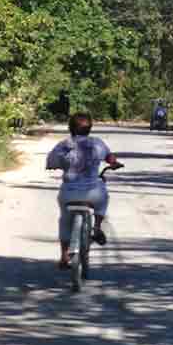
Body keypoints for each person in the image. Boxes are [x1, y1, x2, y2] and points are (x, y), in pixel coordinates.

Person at [46, 113, 118, 269]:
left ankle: (64, 255)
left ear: (70, 128)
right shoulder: (97, 143)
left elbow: (51, 161)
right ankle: (97, 227)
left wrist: (56, 165)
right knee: (104, 197)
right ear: (90, 129)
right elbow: (110, 157)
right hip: (93, 193)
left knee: (65, 220)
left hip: (69, 193)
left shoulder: (64, 145)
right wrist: (114, 163)